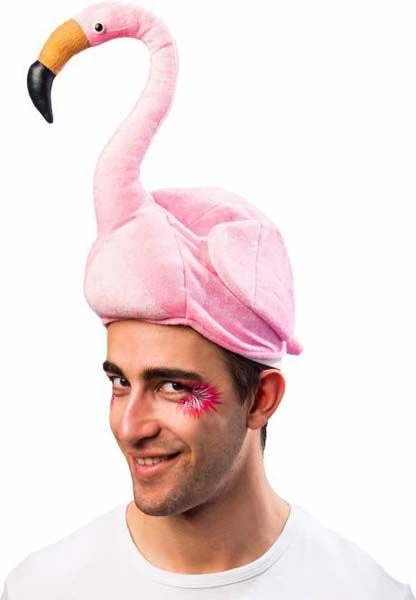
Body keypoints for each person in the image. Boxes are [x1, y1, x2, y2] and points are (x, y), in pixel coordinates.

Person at [2, 2, 413, 598]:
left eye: (173, 386)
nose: (129, 426)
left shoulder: (365, 593)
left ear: (261, 399)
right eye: (119, 382)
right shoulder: (39, 588)